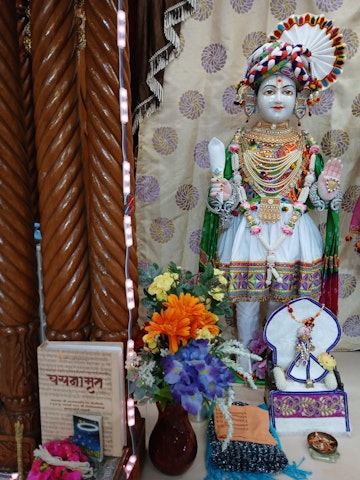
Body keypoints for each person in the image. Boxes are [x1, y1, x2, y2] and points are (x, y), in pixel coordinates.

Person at [200, 36, 344, 372]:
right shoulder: (241, 144)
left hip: (293, 230)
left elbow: (320, 203)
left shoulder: (306, 147)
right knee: (248, 303)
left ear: (300, 99)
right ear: (252, 98)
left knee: (290, 304)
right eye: (269, 91)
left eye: (287, 91)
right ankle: (245, 363)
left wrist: (324, 190)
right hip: (249, 230)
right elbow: (227, 199)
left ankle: (288, 365)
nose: (278, 98)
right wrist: (220, 196)